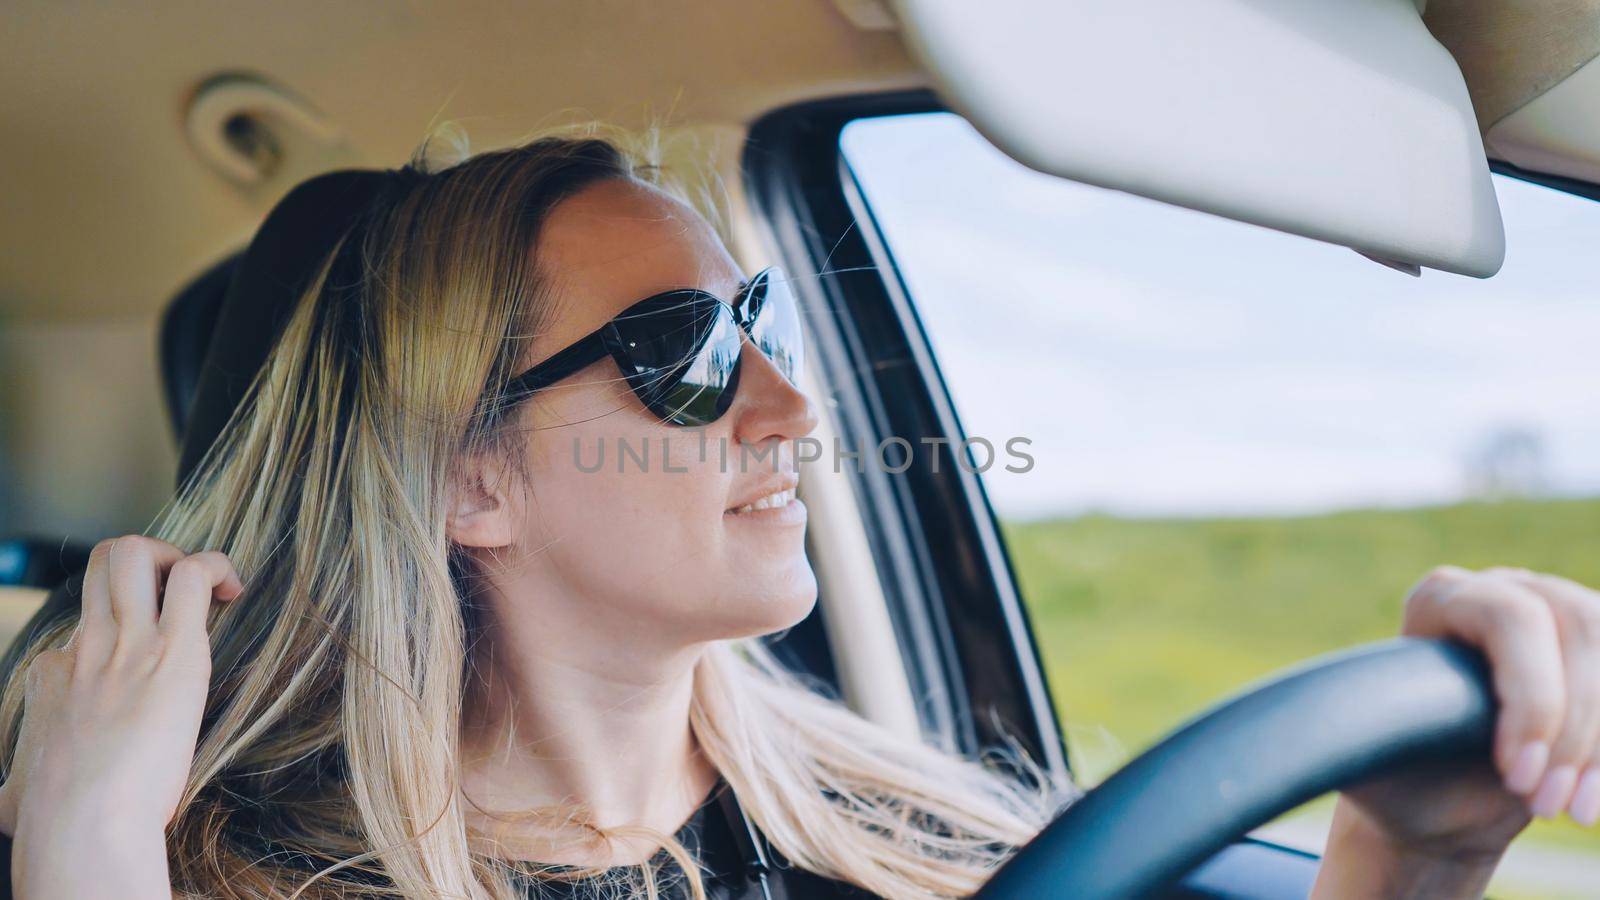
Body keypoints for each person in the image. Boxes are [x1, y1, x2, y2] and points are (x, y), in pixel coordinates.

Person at [0, 128, 1593, 900]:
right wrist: (81, 847)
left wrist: (1411, 853)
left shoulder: (920, 832)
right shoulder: (226, 875)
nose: (792, 406)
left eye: (756, 318)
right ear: (461, 476)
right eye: (686, 354)